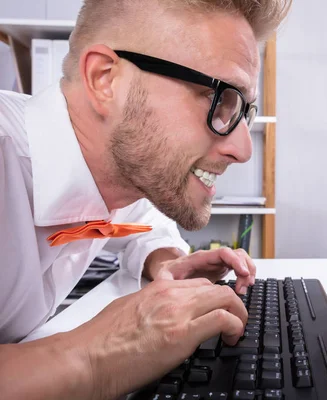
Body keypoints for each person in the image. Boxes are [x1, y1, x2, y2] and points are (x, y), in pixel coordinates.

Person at [0, 0, 291, 398]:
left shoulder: (115, 176)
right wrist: (96, 356)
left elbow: (144, 222)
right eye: (216, 98)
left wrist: (170, 263)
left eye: (244, 112)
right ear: (105, 80)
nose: (243, 149)